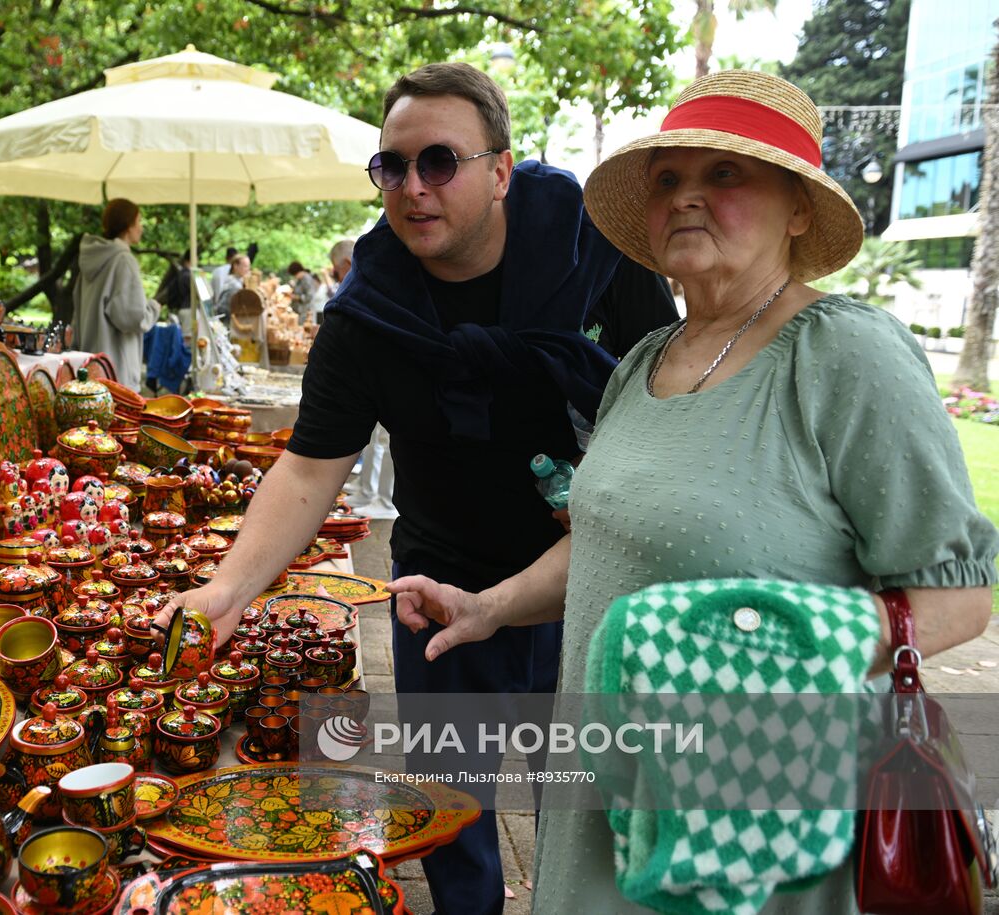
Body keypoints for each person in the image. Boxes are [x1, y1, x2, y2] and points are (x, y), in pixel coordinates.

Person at [389, 71, 999, 913]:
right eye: (669, 179)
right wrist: (487, 606)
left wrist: (757, 653)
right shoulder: (643, 362)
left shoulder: (846, 356)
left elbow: (958, 599)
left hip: (749, 825)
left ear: (796, 208)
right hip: (605, 796)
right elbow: (606, 538)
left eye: (724, 174)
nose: (686, 197)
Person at [162, 62, 678, 914]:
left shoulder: (592, 248)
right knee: (453, 815)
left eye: (439, 161)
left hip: (588, 577)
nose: (412, 187)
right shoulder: (370, 312)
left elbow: (676, 388)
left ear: (501, 169)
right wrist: (228, 586)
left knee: (582, 811)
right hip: (442, 592)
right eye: (392, 167)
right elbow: (309, 465)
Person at [72, 198, 160, 392]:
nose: (141, 228)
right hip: (116, 373)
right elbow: (132, 318)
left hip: (89, 365)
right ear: (128, 225)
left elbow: (77, 310)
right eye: (139, 222)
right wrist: (154, 307)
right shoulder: (123, 261)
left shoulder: (88, 260)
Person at [213, 252, 250, 319]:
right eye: (245, 266)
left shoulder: (239, 281)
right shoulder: (233, 284)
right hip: (227, 323)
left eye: (248, 266)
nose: (248, 269)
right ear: (235, 266)